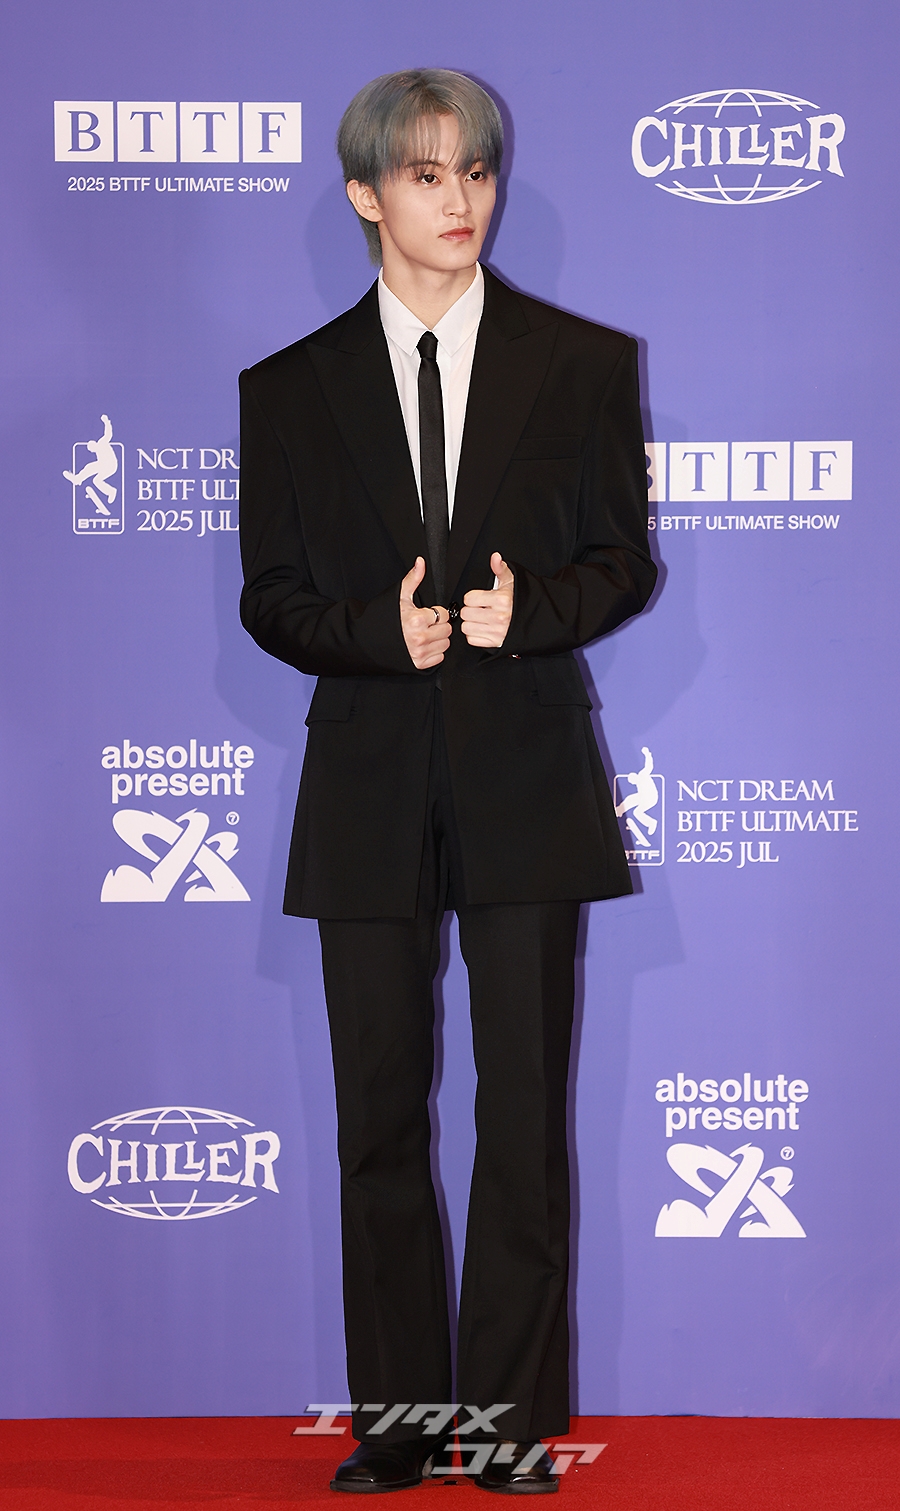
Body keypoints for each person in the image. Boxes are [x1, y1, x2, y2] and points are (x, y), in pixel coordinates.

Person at [239, 69, 657, 1495]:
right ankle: (402, 1425)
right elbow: (269, 596)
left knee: (523, 1119)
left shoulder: (582, 363)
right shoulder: (288, 389)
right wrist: (378, 633)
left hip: (527, 774)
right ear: (367, 196)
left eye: (475, 170)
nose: (460, 198)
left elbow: (625, 562)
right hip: (364, 784)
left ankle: (514, 1428)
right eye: (425, 175)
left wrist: (528, 613)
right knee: (378, 1123)